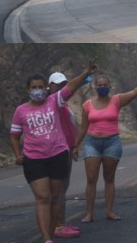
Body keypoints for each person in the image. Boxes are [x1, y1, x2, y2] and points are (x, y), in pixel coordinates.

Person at [10, 60, 98, 243]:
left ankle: (50, 233)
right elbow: (14, 135)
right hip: (34, 159)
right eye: (34, 87)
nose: (38, 90)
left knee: (55, 197)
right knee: (43, 197)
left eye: (40, 87)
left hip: (57, 155)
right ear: (28, 89)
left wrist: (86, 72)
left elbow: (71, 87)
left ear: (46, 88)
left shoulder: (54, 100)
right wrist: (18, 154)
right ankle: (46, 239)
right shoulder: (21, 111)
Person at [75, 74, 137, 222]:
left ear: (110, 87)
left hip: (111, 143)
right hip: (92, 143)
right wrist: (75, 146)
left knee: (109, 178)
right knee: (91, 179)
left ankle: (109, 211)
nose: (102, 87)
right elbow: (83, 127)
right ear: (95, 87)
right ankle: (89, 213)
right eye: (99, 85)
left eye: (105, 85)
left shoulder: (116, 100)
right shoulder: (87, 105)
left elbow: (134, 92)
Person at [48, 72, 82, 239]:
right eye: (58, 85)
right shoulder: (54, 103)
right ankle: (58, 225)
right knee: (59, 189)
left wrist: (74, 145)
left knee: (62, 188)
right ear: (51, 86)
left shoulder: (64, 105)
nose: (62, 88)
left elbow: (69, 127)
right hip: (59, 151)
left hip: (67, 149)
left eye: (64, 84)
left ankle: (59, 222)